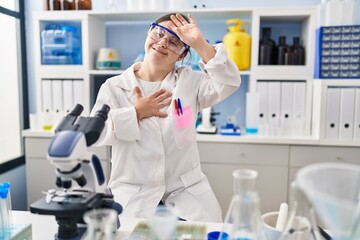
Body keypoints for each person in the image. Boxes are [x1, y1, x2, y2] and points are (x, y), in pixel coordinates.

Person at [91, 12, 241, 222]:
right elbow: (96, 133)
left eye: (173, 41)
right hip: (134, 195)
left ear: (181, 55)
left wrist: (200, 44)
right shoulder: (114, 87)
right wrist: (136, 113)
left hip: (186, 194)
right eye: (159, 33)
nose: (162, 43)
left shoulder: (191, 82)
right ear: (147, 34)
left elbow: (229, 82)